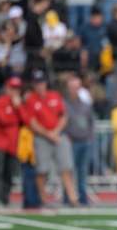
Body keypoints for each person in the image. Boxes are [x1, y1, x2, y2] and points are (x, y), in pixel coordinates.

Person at [25, 70, 79, 206]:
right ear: (33, 85)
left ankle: (73, 198)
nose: (40, 86)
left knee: (66, 167)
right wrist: (48, 134)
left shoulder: (54, 96)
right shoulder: (31, 99)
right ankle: (43, 199)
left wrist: (55, 132)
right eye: (37, 83)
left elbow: (63, 116)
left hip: (58, 135)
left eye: (42, 82)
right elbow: (32, 122)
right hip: (41, 137)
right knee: (42, 169)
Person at [0, 76, 24, 206]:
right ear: (7, 88)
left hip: (12, 145)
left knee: (9, 175)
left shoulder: (19, 104)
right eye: (13, 88)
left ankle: (5, 199)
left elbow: (26, 119)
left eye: (17, 89)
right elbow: (4, 120)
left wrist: (18, 108)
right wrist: (16, 110)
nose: (15, 91)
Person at [63, 74, 95, 206]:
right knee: (68, 171)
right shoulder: (64, 104)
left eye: (77, 87)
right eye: (72, 87)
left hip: (84, 142)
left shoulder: (85, 105)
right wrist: (66, 137)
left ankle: (82, 198)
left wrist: (90, 137)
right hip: (71, 142)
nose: (74, 90)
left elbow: (91, 122)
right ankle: (67, 198)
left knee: (82, 172)